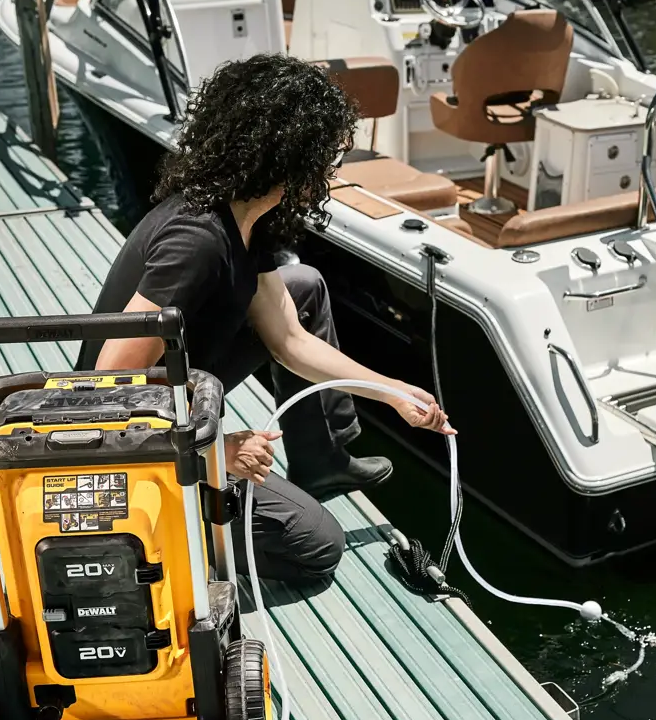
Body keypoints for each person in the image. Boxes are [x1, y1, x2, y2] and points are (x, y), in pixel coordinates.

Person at [77, 53, 453, 584]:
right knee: (318, 544)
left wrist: (393, 392)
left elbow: (289, 338)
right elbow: (109, 384)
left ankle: (320, 460)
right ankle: (179, 541)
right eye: (325, 154)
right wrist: (217, 448)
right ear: (289, 153)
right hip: (128, 444)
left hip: (180, 398)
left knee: (300, 287)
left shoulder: (246, 219)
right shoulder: (199, 240)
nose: (330, 170)